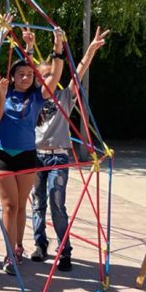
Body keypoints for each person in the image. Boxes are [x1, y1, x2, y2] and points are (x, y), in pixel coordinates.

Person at [0, 18, 64, 275]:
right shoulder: (3, 89)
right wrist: (0, 34)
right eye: (21, 74)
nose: (26, 77)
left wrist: (57, 46)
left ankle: (18, 246)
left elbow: (56, 74)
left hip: (28, 155)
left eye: (29, 74)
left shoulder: (36, 97)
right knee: (9, 204)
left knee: (20, 206)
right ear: (13, 76)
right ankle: (9, 254)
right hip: (1, 153)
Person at [30, 27, 109, 271]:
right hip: (36, 157)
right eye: (41, 77)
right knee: (37, 203)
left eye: (49, 75)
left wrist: (90, 50)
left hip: (59, 159)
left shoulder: (65, 97)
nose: (45, 80)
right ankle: (40, 244)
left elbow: (79, 72)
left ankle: (64, 250)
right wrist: (29, 45)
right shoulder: (33, 100)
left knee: (57, 203)